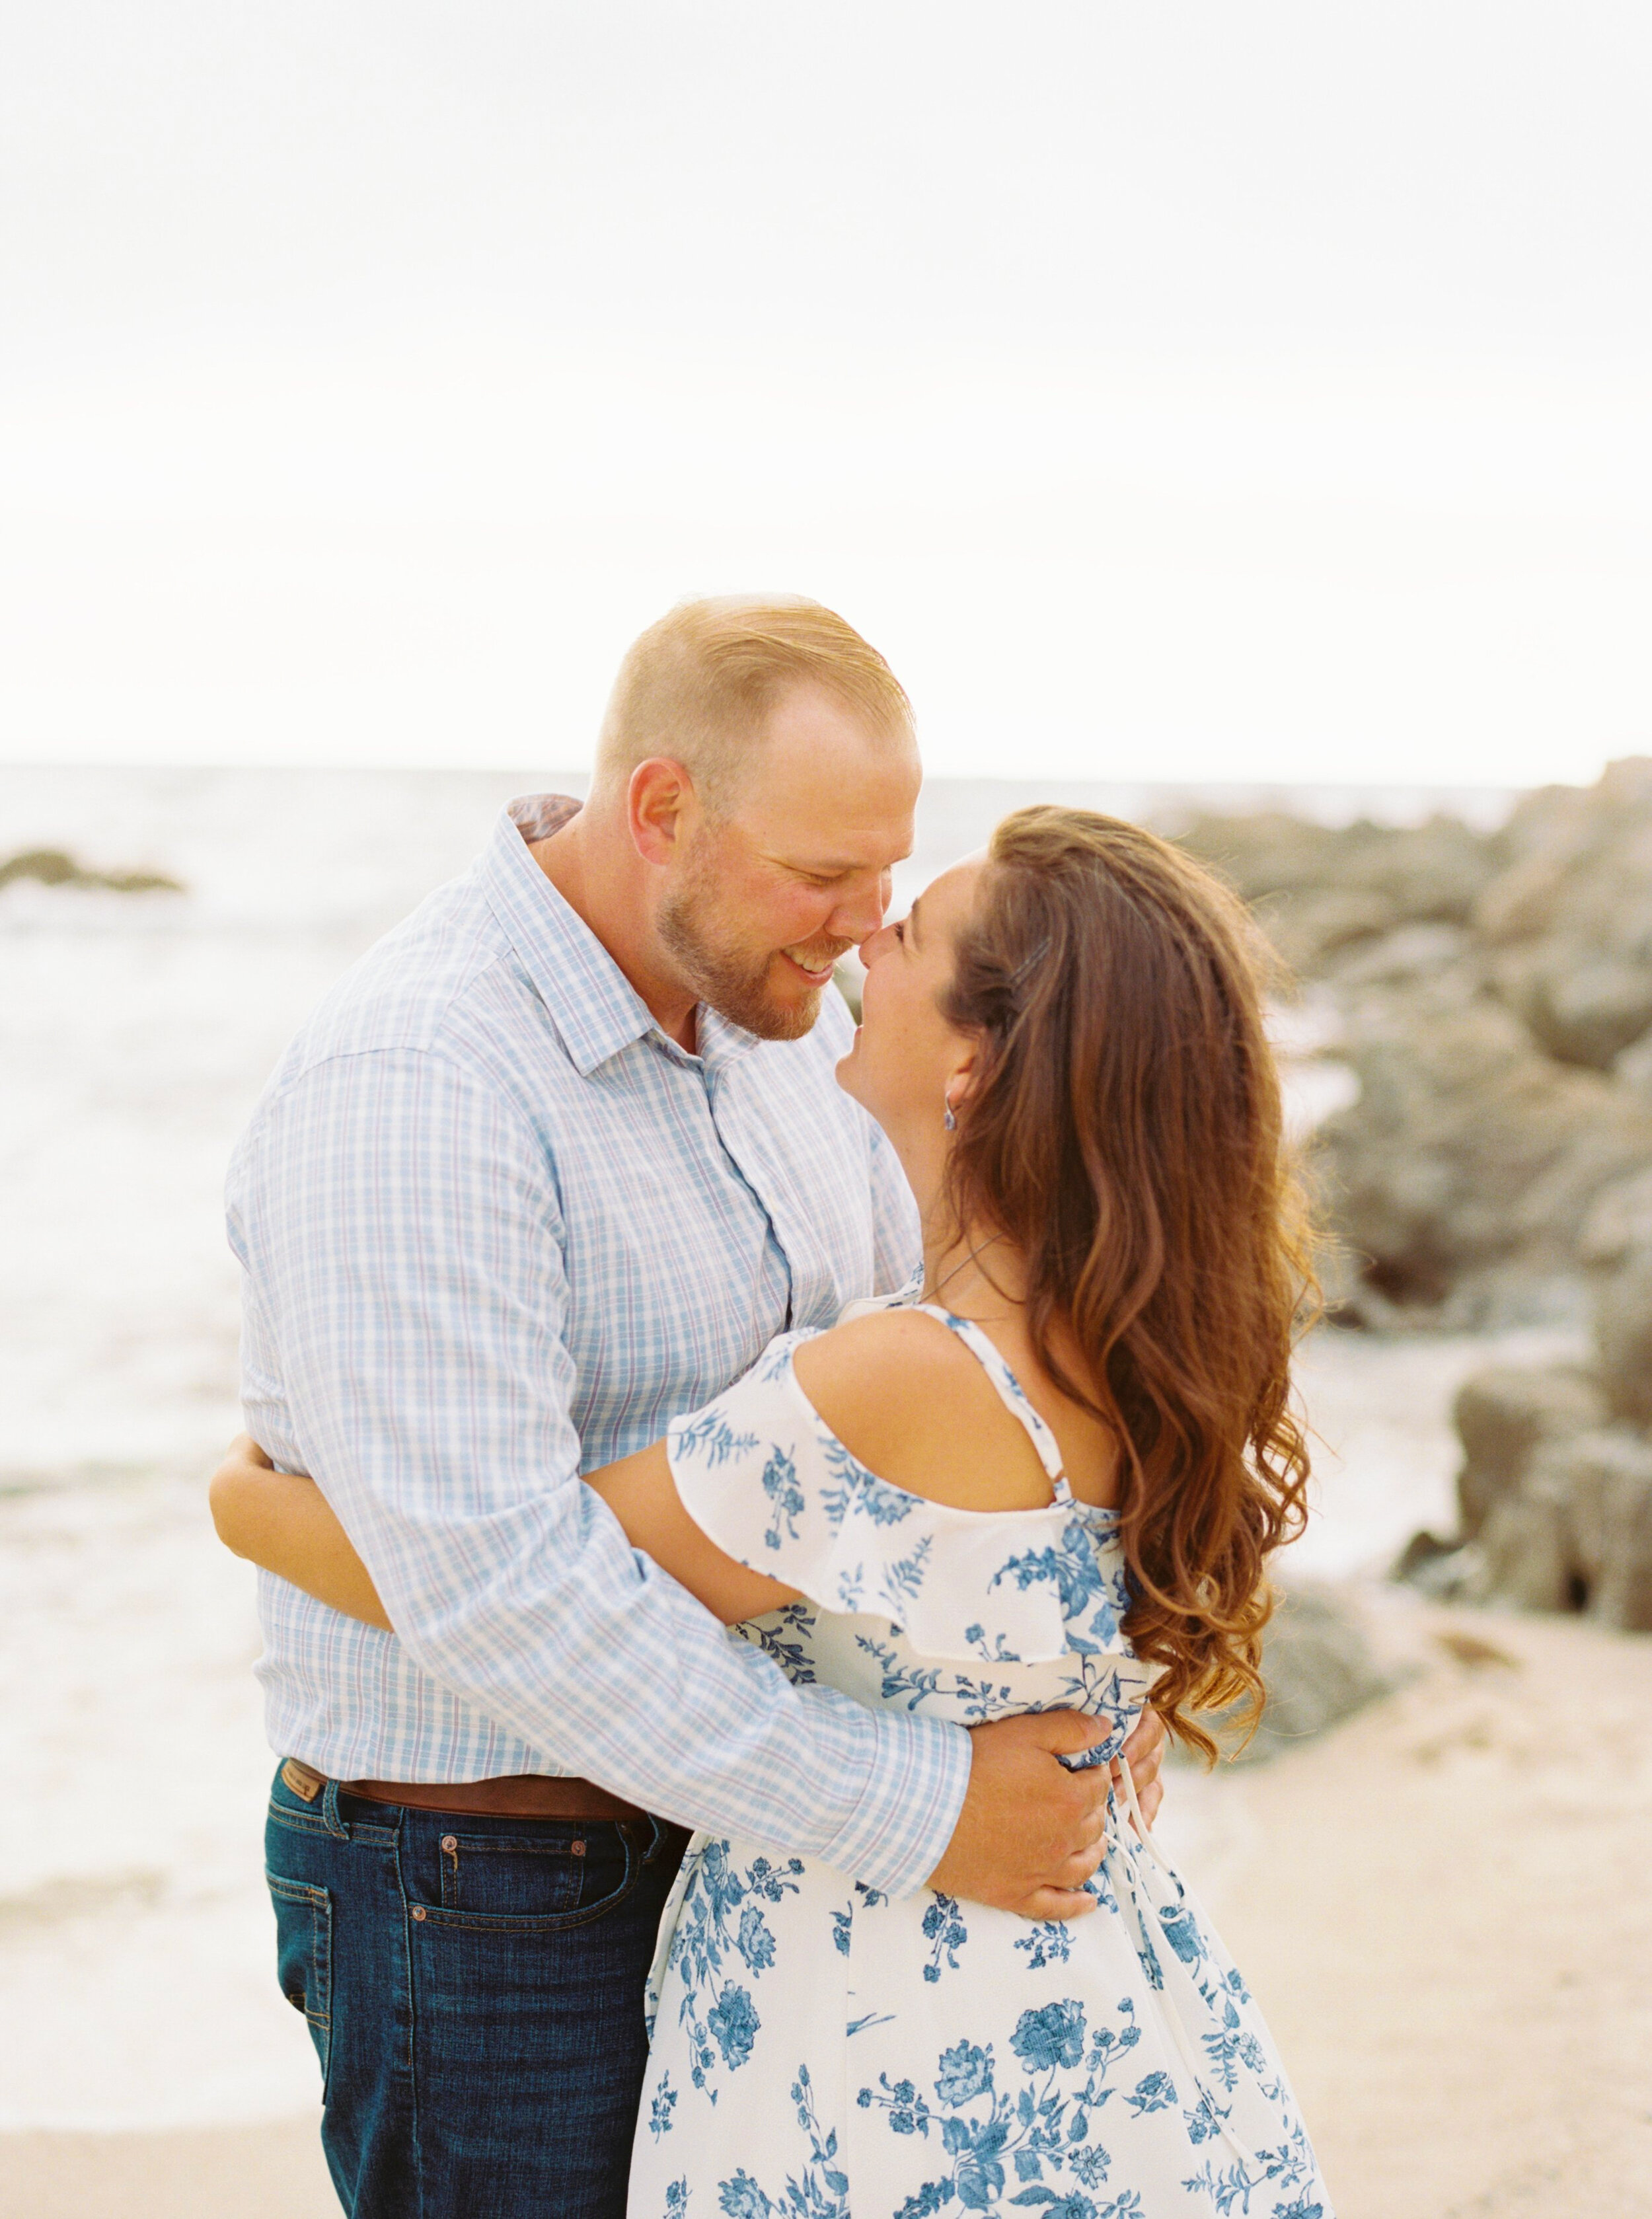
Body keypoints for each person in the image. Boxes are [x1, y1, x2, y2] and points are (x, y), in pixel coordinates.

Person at [217, 805, 1332, 2216]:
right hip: (1091, 1999)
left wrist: (243, 1501)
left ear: (976, 1066)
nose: (869, 931)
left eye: (909, 932)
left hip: (889, 2037)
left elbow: (515, 1577)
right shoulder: (1131, 1342)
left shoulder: (895, 1380)